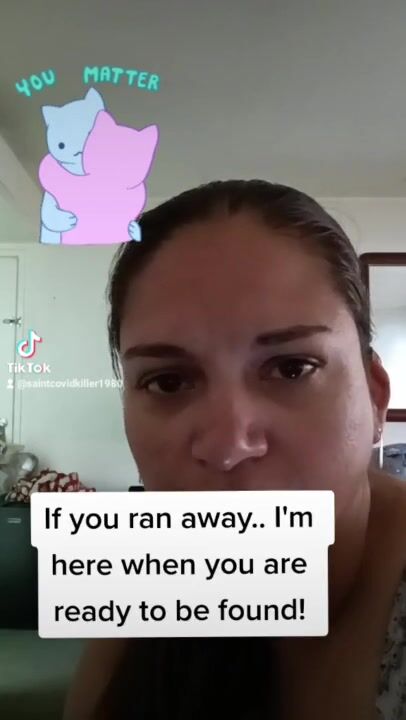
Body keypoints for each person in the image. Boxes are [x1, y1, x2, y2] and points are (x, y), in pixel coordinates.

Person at [63, 180, 406, 720]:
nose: (228, 447)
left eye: (292, 368)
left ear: (376, 396)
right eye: (169, 381)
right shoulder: (151, 579)